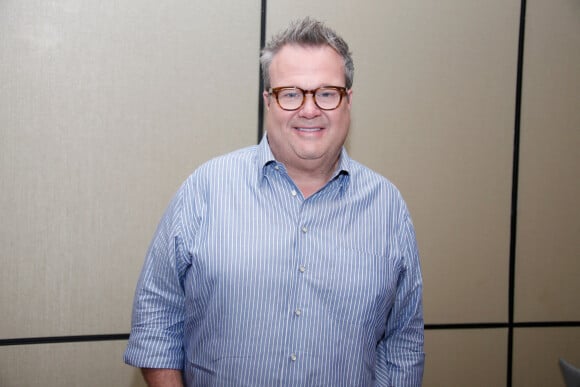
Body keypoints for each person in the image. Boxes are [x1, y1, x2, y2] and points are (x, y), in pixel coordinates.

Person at [124, 17, 425, 387]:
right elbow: (156, 321)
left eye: (327, 92)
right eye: (291, 93)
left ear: (349, 100)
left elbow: (402, 343)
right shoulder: (205, 190)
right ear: (268, 100)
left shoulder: (388, 208)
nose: (310, 109)